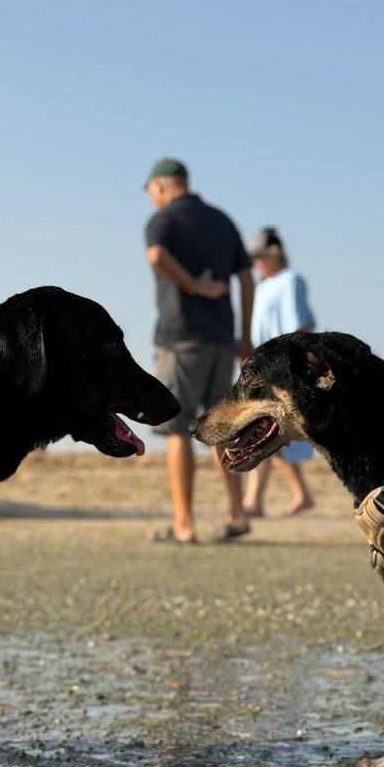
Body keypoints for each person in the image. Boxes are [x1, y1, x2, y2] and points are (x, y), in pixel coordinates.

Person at [143, 157, 254, 543]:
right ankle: (237, 515)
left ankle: (184, 523)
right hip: (222, 339)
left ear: (160, 186)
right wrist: (244, 334)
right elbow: (246, 277)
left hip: (181, 338)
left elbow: (156, 256)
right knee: (220, 427)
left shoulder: (163, 221)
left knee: (177, 428)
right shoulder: (222, 221)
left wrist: (191, 286)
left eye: (151, 192)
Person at [242, 227, 316, 518]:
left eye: (259, 257)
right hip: (262, 365)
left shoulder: (290, 281)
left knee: (268, 428)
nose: (256, 263)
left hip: (281, 366)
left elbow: (298, 325)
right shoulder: (262, 286)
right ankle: (294, 495)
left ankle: (255, 501)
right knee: (265, 428)